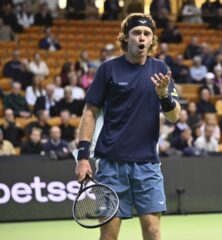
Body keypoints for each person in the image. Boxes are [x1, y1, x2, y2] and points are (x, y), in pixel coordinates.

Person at [74, 13, 180, 240]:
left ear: (152, 40)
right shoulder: (108, 69)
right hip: (111, 165)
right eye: (137, 33)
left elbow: (174, 116)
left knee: (153, 231)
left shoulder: (161, 70)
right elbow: (89, 113)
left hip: (148, 165)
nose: (142, 38)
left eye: (147, 34)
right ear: (126, 38)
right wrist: (83, 157)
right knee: (109, 235)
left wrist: (164, 96)